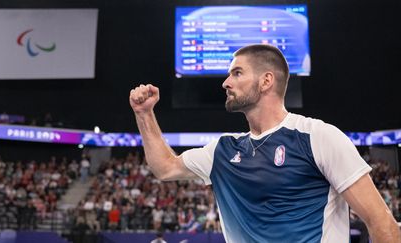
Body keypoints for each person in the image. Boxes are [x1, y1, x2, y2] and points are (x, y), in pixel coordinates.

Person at [129, 44, 401, 243]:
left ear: (266, 81)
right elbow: (164, 168)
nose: (225, 82)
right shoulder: (222, 151)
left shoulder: (318, 137)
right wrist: (144, 114)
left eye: (236, 73)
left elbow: (383, 225)